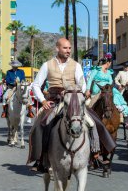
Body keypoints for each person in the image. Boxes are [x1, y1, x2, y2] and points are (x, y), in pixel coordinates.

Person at [27, 38, 115, 172]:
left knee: (93, 122)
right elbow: (36, 85)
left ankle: (95, 154)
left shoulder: (76, 65)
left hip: (73, 99)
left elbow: (83, 83)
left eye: (69, 48)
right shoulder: (47, 65)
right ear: (57, 48)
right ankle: (41, 158)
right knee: (41, 124)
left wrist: (78, 93)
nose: (68, 51)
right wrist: (43, 101)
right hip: (54, 100)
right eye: (65, 48)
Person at [85, 53, 128, 118]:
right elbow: (90, 79)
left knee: (116, 94)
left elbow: (110, 81)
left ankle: (124, 110)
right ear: (108, 63)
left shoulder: (108, 72)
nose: (110, 65)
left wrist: (110, 87)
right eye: (110, 64)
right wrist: (87, 90)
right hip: (99, 88)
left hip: (108, 88)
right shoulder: (96, 69)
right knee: (107, 95)